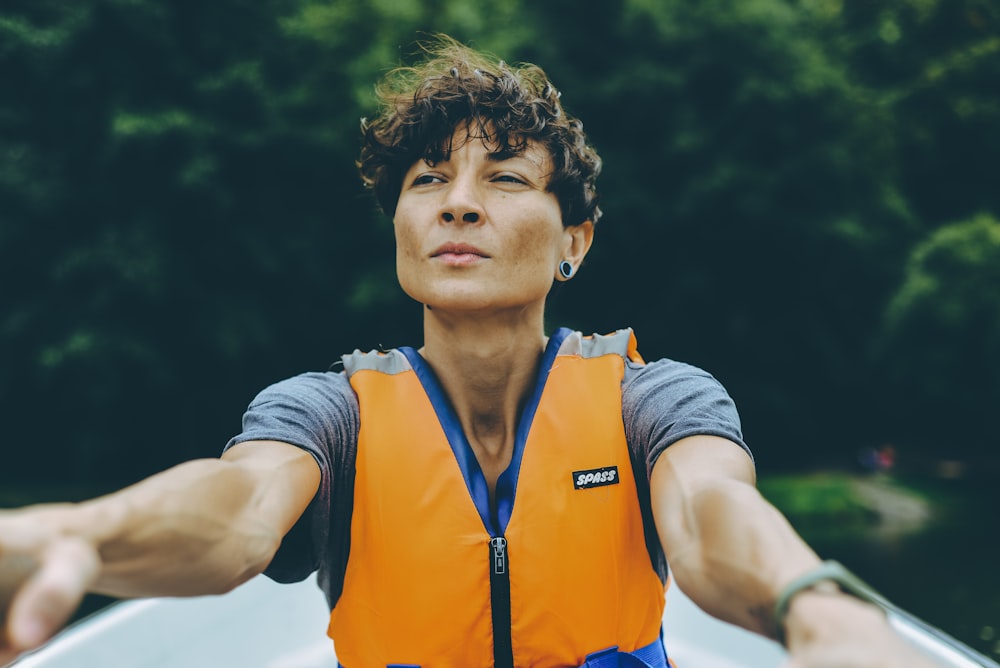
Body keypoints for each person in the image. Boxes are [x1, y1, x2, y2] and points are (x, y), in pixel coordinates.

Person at [0, 35, 937, 667]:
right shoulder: (326, 413)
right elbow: (237, 513)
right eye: (427, 179)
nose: (457, 200)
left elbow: (708, 516)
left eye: (505, 178)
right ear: (400, 226)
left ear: (576, 242)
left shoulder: (655, 399)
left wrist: (807, 597)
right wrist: (88, 531)